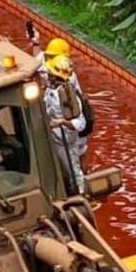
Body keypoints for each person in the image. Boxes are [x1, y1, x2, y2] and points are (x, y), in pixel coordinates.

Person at [43, 55, 87, 194]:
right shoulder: (51, 89)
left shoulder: (69, 97)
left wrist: (62, 122)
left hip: (65, 141)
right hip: (51, 136)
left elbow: (81, 123)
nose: (48, 77)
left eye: (51, 75)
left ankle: (80, 193)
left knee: (73, 171)